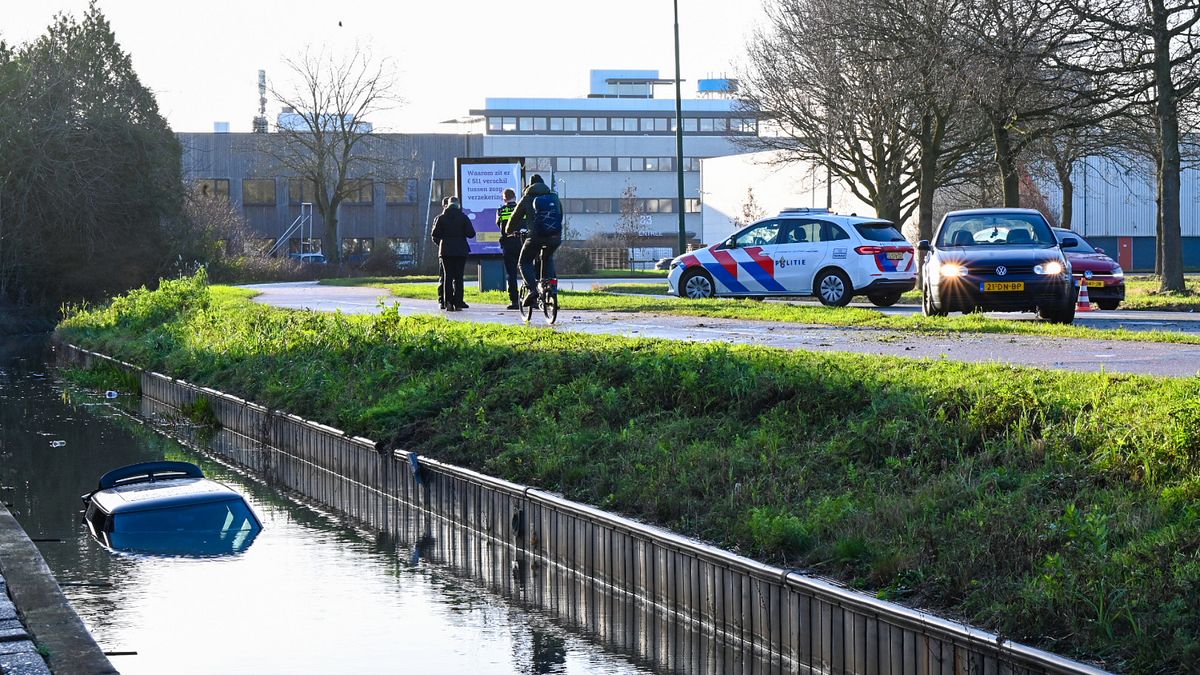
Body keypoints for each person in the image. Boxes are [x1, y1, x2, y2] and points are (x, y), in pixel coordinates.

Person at [508, 175, 563, 307]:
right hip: (554, 237)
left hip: (535, 237)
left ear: (530, 186)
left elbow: (515, 218)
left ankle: (533, 290)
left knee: (524, 262)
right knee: (547, 258)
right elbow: (560, 215)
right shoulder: (554, 197)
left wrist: (508, 230)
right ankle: (551, 290)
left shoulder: (527, 198)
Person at [430, 196, 475, 311]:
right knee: (459, 277)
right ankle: (458, 303)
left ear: (448, 204)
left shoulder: (441, 218)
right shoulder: (463, 217)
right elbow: (471, 234)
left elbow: (435, 234)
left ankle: (448, 302)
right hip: (460, 251)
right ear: (458, 204)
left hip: (446, 251)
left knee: (448, 277)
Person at [496, 188, 521, 309]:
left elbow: (499, 224)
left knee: (511, 274)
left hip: (508, 244)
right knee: (527, 269)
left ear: (504, 198)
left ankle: (515, 301)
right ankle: (533, 299)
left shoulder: (501, 210)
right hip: (522, 243)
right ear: (515, 197)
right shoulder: (521, 208)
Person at [436, 196, 450, 309]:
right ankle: (442, 299)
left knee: (452, 277)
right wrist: (441, 244)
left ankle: (452, 299)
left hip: (445, 250)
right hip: (444, 251)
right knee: (443, 276)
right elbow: (435, 235)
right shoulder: (439, 218)